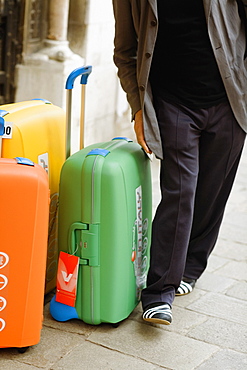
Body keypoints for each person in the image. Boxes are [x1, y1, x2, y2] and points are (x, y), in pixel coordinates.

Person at [112, 0, 247, 325]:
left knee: (212, 193)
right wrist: (139, 108)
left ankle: (191, 265)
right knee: (180, 193)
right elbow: (125, 51)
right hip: (173, 103)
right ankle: (159, 293)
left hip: (229, 101)